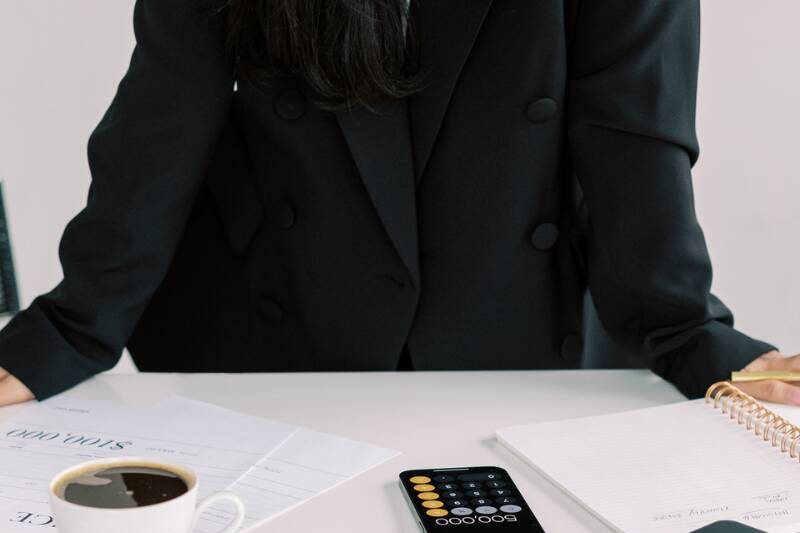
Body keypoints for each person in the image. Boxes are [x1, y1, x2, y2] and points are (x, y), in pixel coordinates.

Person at [1, 0, 798, 407]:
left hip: (516, 340)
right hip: (274, 342)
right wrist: (66, 333)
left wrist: (690, 336)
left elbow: (636, 137)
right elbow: (159, 123)